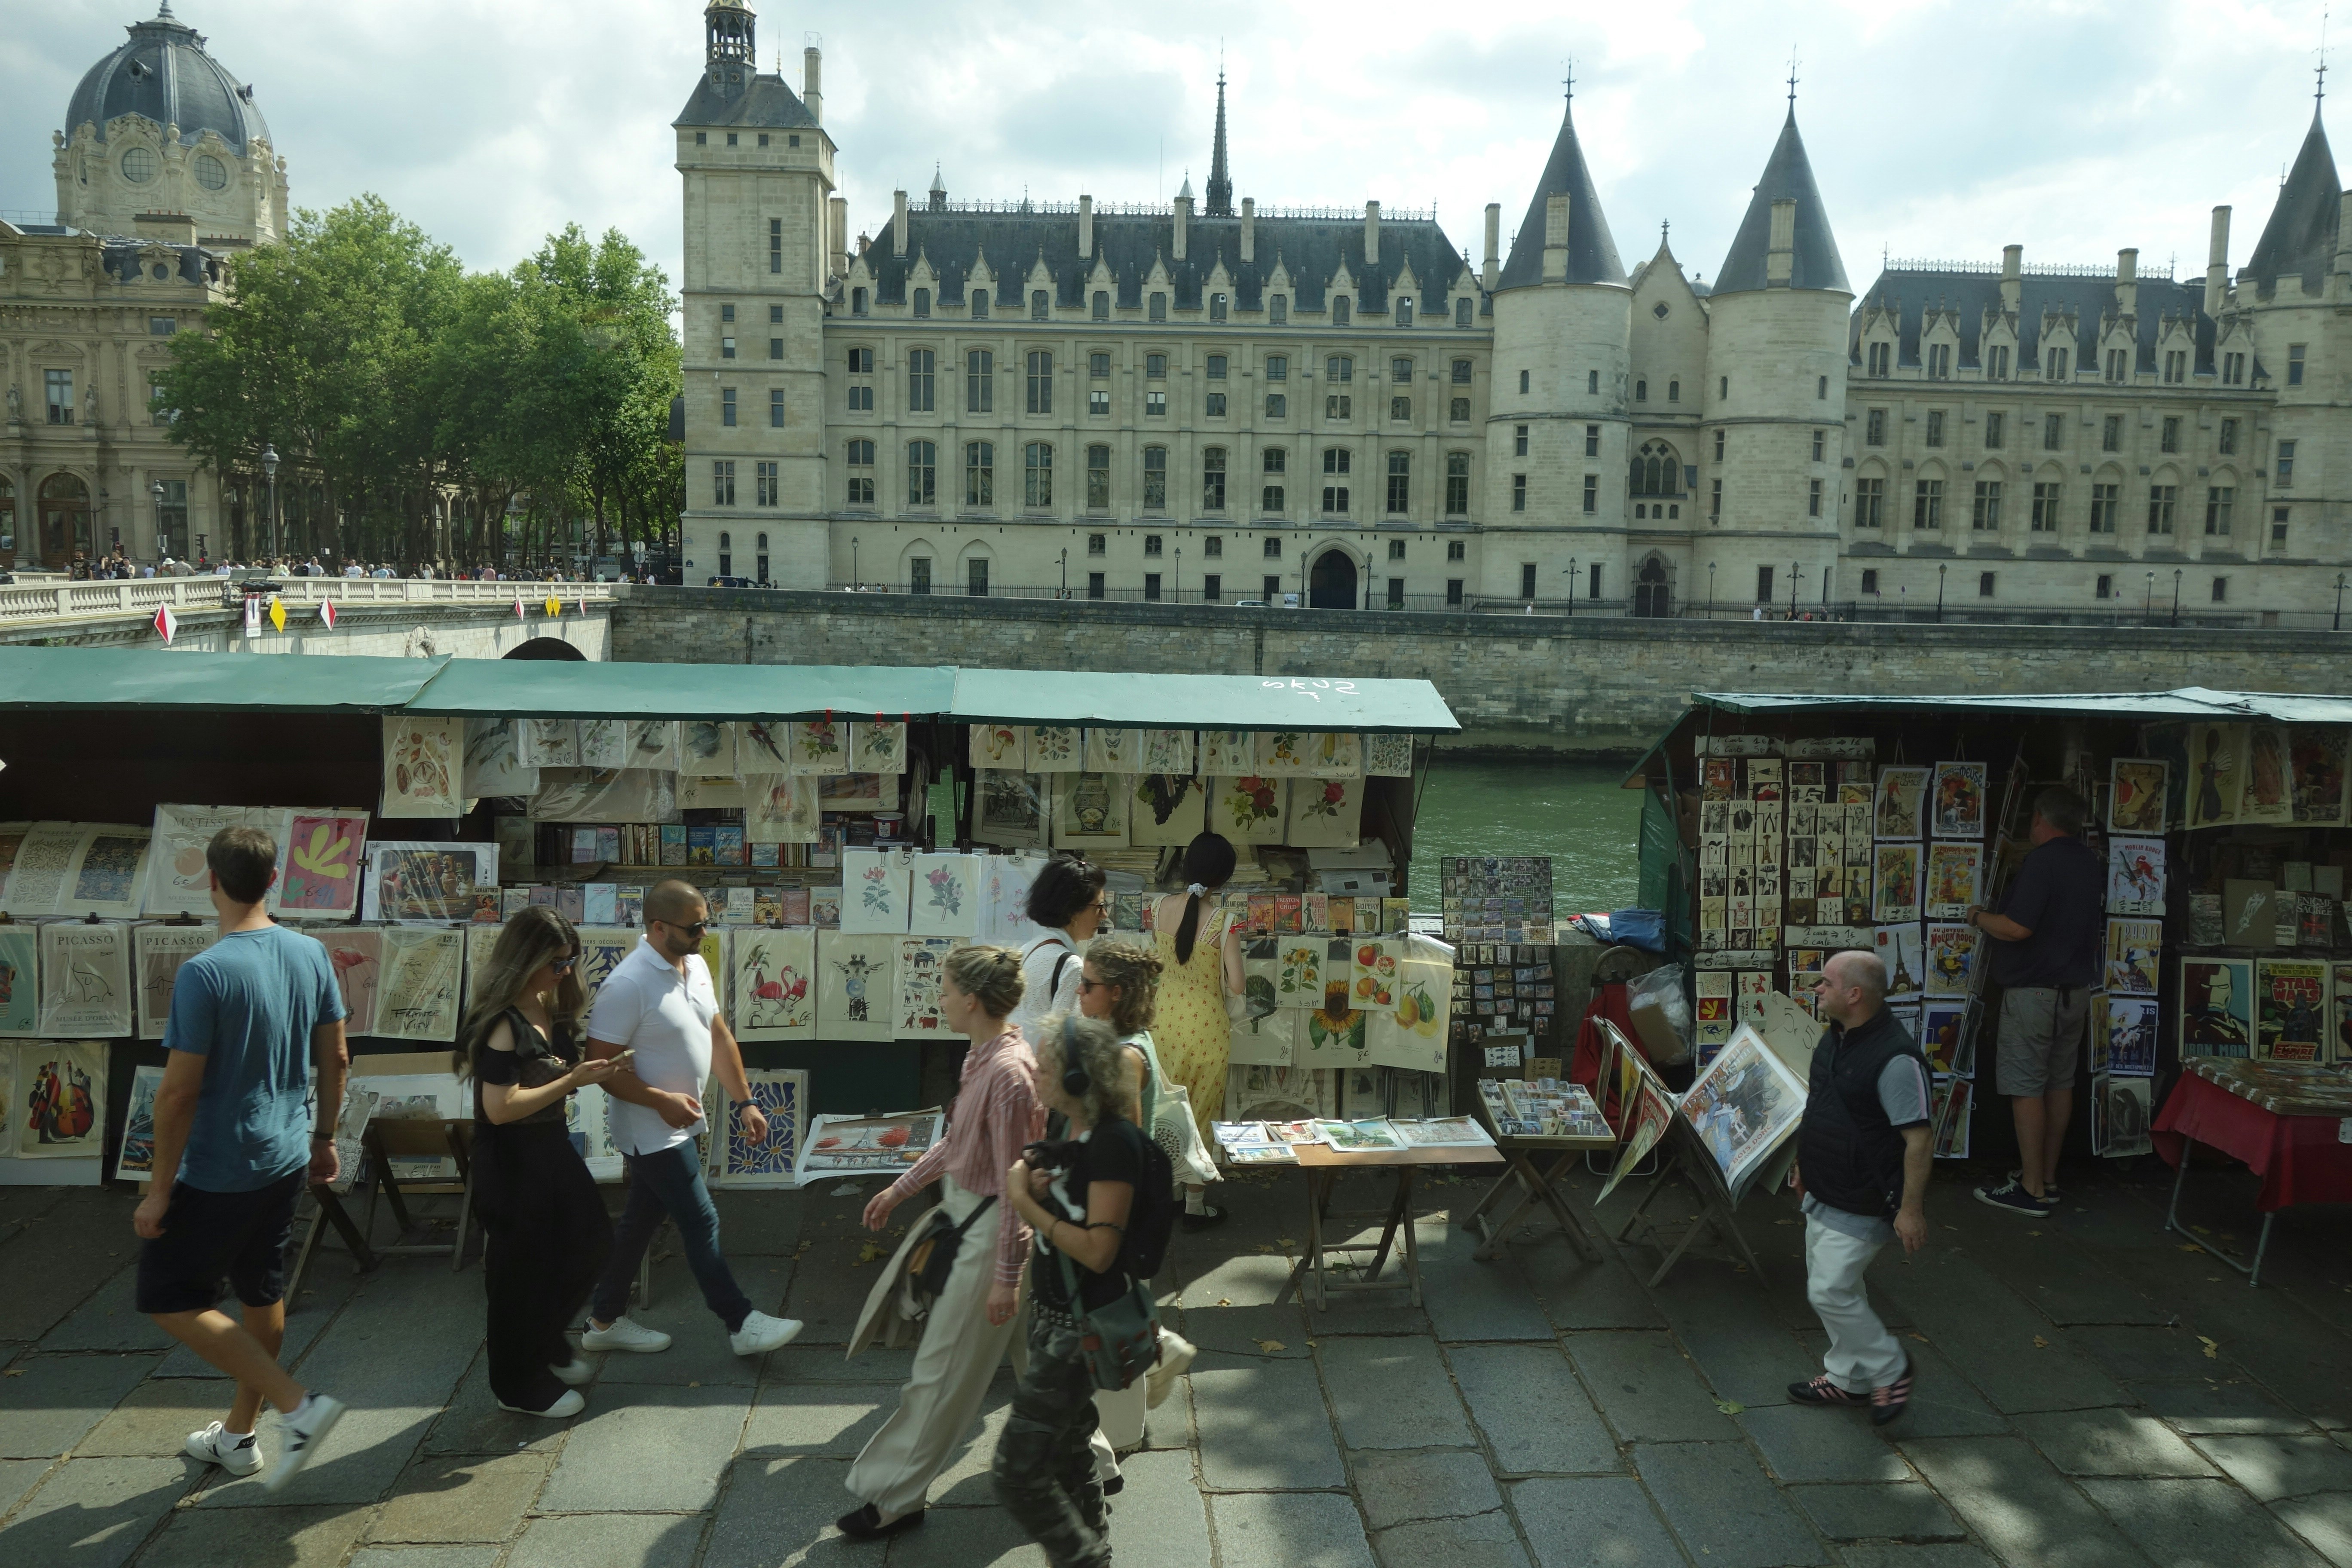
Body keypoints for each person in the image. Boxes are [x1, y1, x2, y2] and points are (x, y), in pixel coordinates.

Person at [132, 826, 350, 1491]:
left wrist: (158, 1189)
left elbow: (178, 1094)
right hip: (285, 1154)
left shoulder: (205, 972)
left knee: (168, 1297)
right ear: (273, 880)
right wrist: (325, 1137)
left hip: (221, 1167)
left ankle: (297, 1406)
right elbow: (337, 1057)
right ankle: (238, 1436)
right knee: (262, 1289)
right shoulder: (310, 953)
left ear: (212, 882)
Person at [843, 946, 1044, 1540]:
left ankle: (895, 1497)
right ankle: (1094, 1463)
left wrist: (1006, 1277)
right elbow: (959, 1142)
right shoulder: (983, 1056)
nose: (941, 999)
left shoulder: (1008, 1075)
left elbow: (1015, 1188)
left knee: (939, 1374)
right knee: (1038, 1364)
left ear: (972, 1001)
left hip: (990, 1236)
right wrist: (899, 1190)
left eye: (948, 989)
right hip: (976, 1220)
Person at [579, 880, 801, 1359]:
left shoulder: (695, 964)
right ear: (659, 928)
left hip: (682, 1123)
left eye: (706, 922)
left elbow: (717, 1036)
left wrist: (745, 1101)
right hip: (651, 1131)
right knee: (701, 1221)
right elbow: (600, 1068)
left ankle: (603, 1321)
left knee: (640, 1221)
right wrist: (659, 1101)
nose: (704, 933)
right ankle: (740, 1321)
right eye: (695, 926)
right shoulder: (627, 985)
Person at [455, 907, 620, 1418]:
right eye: (557, 963)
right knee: (519, 1271)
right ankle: (516, 1385)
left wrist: (587, 1073)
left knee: (591, 1240)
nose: (565, 972)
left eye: (571, 961)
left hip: (549, 1144)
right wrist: (572, 1081)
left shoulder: (548, 1006)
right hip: (511, 1157)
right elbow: (499, 1109)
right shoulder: (504, 1024)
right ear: (526, 960)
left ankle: (544, 1342)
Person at [998, 1013, 1147, 1568]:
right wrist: (1043, 1183)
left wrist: (1025, 1203)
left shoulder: (1113, 1146)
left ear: (1079, 1079)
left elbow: (1099, 1251)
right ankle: (1097, 1552)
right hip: (1055, 1315)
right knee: (1068, 1447)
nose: (1034, 1072)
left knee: (1016, 1473)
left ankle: (1082, 1560)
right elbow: (1074, 1201)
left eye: (1046, 1066)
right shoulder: (1071, 1128)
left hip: (1077, 1332)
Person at [1788, 950, 1931, 1427]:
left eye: (1826, 983)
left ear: (1854, 994)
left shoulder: (1896, 1060)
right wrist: (1803, 1164)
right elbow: (1821, 1106)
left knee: (1829, 1290)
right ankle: (1848, 1380)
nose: (1817, 988)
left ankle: (1891, 1368)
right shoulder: (1836, 1037)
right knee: (1840, 1287)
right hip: (1825, 1188)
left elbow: (1919, 1140)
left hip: (1865, 1197)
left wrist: (1910, 1210)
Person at [1074, 937, 1197, 1487]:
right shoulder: (1122, 1041)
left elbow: (1121, 1141)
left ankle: (1125, 1419)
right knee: (1112, 1305)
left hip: (1115, 1203)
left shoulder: (1126, 1055)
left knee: (1107, 1309)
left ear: (1117, 993)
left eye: (1089, 986)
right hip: (1113, 1199)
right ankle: (1159, 1351)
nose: (1079, 993)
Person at [1966, 785, 2103, 1214]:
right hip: (2074, 993)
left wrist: (1977, 916)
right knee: (2059, 1084)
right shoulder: (2089, 862)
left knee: (2026, 1087)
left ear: (2040, 818)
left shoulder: (2043, 862)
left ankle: (2030, 1191)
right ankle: (2047, 1177)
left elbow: (2016, 928)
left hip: (2034, 995)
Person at [1148, 833, 1246, 1230]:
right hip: (1206, 1029)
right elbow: (1237, 985)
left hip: (1161, 1023)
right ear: (1224, 878)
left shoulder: (1158, 909)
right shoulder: (1225, 923)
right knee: (1199, 1112)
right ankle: (1195, 1206)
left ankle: (1167, 1195)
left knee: (1165, 1110)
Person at [1011, 853, 1108, 1037]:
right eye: (1099, 907)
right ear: (1073, 911)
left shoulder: (1028, 949)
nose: (1104, 915)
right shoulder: (1071, 965)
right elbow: (1065, 1041)